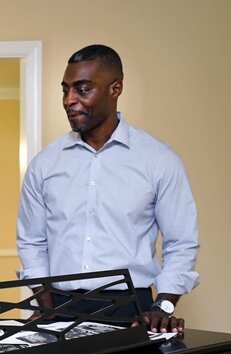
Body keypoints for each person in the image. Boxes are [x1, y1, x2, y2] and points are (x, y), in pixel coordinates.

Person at [17, 45, 199, 333]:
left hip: (133, 309)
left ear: (116, 88)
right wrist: (44, 304)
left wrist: (163, 306)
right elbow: (32, 241)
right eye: (65, 90)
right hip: (59, 308)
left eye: (82, 89)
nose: (69, 100)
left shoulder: (159, 160)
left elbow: (181, 243)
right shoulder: (44, 164)